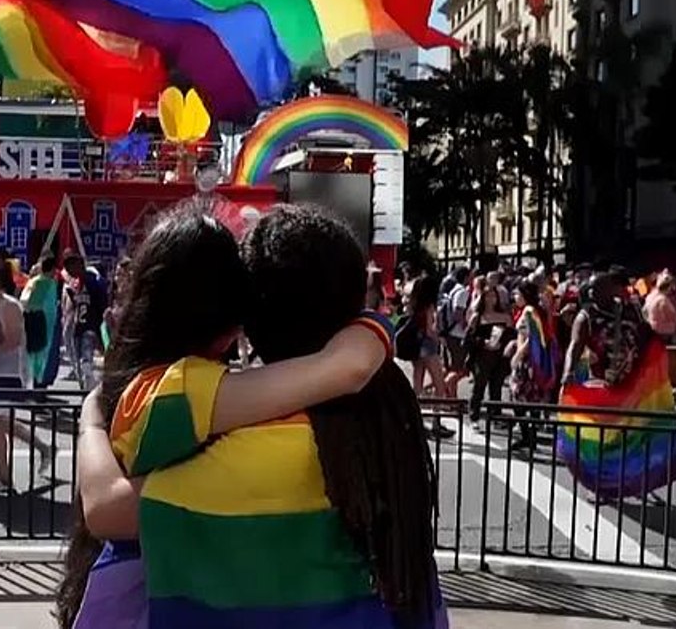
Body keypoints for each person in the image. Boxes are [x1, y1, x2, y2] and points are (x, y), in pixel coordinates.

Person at [61, 204, 440, 629]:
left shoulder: (238, 441)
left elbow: (109, 508)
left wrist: (91, 420)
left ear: (248, 320)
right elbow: (350, 363)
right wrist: (372, 327)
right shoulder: (386, 422)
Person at [0, 264, 50, 492]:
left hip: (11, 372)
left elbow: (14, 341)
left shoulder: (10, 306)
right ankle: (43, 447)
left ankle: (4, 478)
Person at [509, 280, 560, 452]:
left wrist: (518, 354)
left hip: (528, 361)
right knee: (530, 399)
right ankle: (529, 437)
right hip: (530, 359)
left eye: (517, 294)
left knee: (520, 397)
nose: (515, 297)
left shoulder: (530, 311)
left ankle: (527, 437)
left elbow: (533, 338)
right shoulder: (535, 310)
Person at [467, 276, 514, 425]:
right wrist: (483, 342)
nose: (490, 299)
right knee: (479, 385)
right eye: (487, 296)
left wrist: (504, 343)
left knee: (497, 386)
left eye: (493, 296)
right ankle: (474, 414)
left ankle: (495, 416)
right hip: (483, 355)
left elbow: (512, 335)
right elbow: (469, 338)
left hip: (500, 355)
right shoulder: (477, 317)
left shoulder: (505, 316)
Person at [63, 252, 108, 393]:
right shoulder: (75, 284)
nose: (70, 271)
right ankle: (84, 388)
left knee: (85, 361)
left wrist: (101, 330)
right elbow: (74, 304)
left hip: (90, 326)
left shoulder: (94, 282)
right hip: (78, 326)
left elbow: (102, 305)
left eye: (72, 266)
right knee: (77, 361)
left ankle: (88, 392)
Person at [22, 254, 62, 390]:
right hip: (43, 323)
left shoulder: (32, 282)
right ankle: (39, 383)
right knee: (42, 354)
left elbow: (24, 301)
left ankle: (32, 382)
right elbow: (46, 308)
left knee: (32, 354)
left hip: (32, 321)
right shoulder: (48, 283)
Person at [443, 267, 473, 396]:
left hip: (450, 333)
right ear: (466, 277)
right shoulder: (462, 292)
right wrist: (466, 327)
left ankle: (450, 397)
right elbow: (458, 313)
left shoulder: (453, 289)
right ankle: (440, 389)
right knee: (459, 369)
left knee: (451, 368)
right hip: (458, 335)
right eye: (470, 276)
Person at [644, 271, 676, 341]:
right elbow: (673, 316)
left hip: (651, 327)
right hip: (663, 332)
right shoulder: (663, 300)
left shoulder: (649, 296)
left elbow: (645, 312)